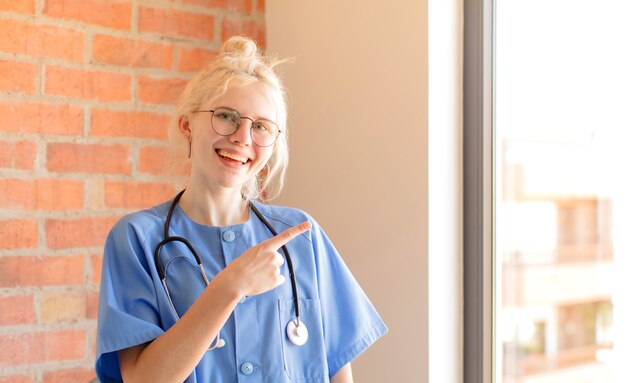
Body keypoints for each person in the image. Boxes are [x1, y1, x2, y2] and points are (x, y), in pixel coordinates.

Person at [96, 35, 387, 383]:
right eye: (226, 116)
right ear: (187, 125)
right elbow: (143, 379)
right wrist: (228, 288)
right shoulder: (136, 239)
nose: (242, 137)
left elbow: (336, 364)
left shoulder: (300, 234)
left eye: (261, 126)